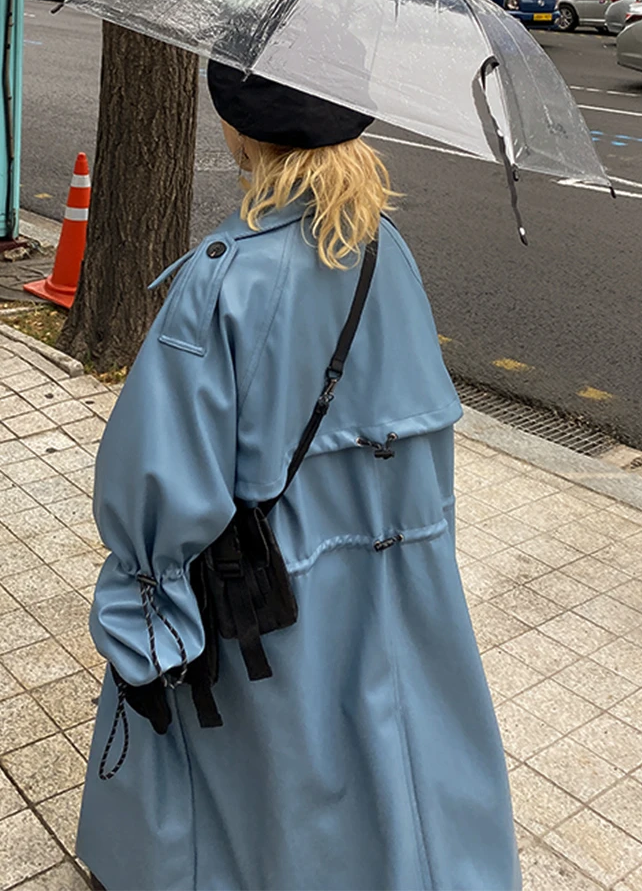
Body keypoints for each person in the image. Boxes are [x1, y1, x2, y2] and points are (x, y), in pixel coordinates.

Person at [76, 63, 521, 891]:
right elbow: (423, 431)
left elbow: (158, 479)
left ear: (244, 129)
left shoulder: (222, 272)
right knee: (393, 745)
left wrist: (145, 615)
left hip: (269, 589)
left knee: (273, 775)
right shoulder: (388, 248)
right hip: (398, 565)